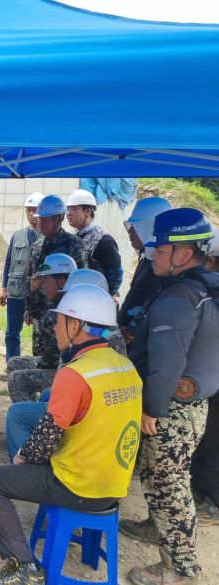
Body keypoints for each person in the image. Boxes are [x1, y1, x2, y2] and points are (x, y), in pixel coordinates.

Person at [0, 284, 143, 585]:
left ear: (76, 326)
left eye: (60, 320)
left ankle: (24, 568)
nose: (54, 328)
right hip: (114, 486)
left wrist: (22, 457)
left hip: (78, 486)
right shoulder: (125, 366)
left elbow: (45, 437)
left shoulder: (75, 374)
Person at [121, 208, 218, 585]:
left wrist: (152, 408)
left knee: (170, 485)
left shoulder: (180, 298)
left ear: (182, 253)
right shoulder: (204, 288)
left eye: (159, 250)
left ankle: (181, 568)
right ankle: (154, 526)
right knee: (159, 478)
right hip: (191, 405)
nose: (153, 255)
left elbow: (166, 361)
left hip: (172, 409)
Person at [5, 268, 110, 461]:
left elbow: (66, 372)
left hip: (84, 408)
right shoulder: (104, 335)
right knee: (45, 394)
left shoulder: (81, 352)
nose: (56, 326)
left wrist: (25, 454)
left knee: (17, 414)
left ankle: (31, 465)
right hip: (87, 401)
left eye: (47, 280)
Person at [7, 253, 76, 403]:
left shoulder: (67, 307)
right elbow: (35, 312)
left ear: (62, 281)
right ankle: (37, 408)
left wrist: (40, 366)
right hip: (53, 363)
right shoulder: (57, 299)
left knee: (17, 379)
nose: (43, 285)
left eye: (46, 280)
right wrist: (33, 289)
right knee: (14, 363)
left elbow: (54, 354)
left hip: (64, 369)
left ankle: (36, 417)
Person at [25, 195, 86, 358]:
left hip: (62, 320)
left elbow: (80, 283)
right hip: (39, 314)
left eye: (44, 220)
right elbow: (30, 277)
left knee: (58, 362)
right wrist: (29, 307)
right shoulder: (37, 245)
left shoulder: (73, 244)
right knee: (39, 360)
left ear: (58, 219)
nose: (40, 223)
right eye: (40, 219)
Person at [191, 228, 219, 526]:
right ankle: (202, 494)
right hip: (208, 378)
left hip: (205, 379)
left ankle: (211, 502)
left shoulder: (204, 292)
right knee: (208, 439)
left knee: (212, 443)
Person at [118, 197, 172, 346]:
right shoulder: (147, 258)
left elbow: (151, 308)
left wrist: (128, 333)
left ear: (147, 227)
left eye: (135, 225)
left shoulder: (161, 267)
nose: (130, 230)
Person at [0, 192, 44, 361]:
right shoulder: (17, 235)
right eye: (28, 210)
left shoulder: (49, 237)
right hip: (16, 292)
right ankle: (12, 366)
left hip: (40, 295)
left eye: (35, 210)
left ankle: (40, 368)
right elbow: (9, 262)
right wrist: (4, 289)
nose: (31, 214)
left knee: (40, 334)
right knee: (12, 333)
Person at [66, 189, 123, 297]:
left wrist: (104, 297)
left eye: (73, 209)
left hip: (93, 300)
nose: (68, 214)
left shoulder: (104, 240)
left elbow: (116, 275)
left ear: (87, 211)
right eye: (68, 209)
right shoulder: (72, 237)